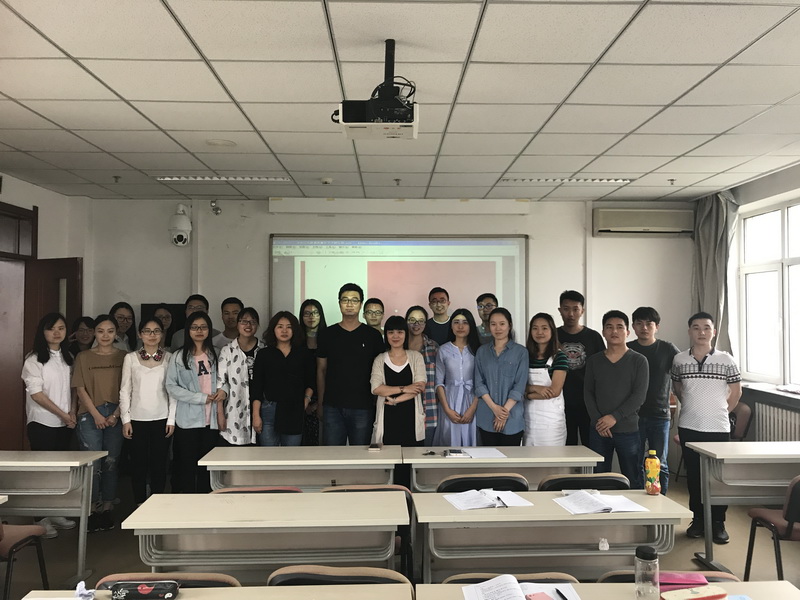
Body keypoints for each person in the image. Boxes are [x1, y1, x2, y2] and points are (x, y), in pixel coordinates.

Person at [672, 311, 742, 544]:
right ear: (689, 331)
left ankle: (718, 522)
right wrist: (696, 409)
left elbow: (736, 393)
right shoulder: (679, 359)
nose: (701, 332)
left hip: (718, 427)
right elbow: (679, 389)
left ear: (714, 331)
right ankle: (699, 519)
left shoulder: (726, 359)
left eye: (706, 327)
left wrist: (719, 412)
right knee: (694, 476)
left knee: (717, 477)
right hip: (689, 426)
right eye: (696, 327)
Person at [22, 312, 78, 537]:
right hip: (42, 422)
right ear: (42, 332)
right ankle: (40, 519)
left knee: (59, 472)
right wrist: (63, 415)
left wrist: (72, 412)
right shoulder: (34, 359)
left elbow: (73, 388)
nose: (57, 332)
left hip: (65, 423)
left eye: (61, 328)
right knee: (42, 473)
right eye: (51, 328)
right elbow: (37, 395)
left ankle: (53, 511)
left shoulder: (68, 357)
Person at [73, 314, 126, 531]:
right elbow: (80, 389)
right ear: (94, 333)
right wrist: (96, 414)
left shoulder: (125, 357)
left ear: (116, 333)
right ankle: (92, 508)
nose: (105, 335)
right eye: (101, 331)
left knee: (111, 462)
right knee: (92, 464)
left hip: (116, 413)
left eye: (110, 331)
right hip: (90, 414)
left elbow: (129, 388)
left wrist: (115, 414)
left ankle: (107, 507)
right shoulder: (83, 357)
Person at [584, 310, 649, 488]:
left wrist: (614, 417)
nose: (614, 331)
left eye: (620, 327)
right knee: (598, 480)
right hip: (599, 430)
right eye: (609, 327)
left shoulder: (639, 361)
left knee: (633, 477)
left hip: (628, 430)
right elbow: (588, 392)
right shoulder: (594, 361)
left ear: (627, 332)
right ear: (603, 332)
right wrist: (599, 421)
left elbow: (639, 396)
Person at [316, 283, 384, 446]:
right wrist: (321, 403)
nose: (349, 304)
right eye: (345, 300)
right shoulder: (327, 334)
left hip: (363, 406)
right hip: (333, 406)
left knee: (361, 455)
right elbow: (321, 370)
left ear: (360, 304)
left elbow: (380, 372)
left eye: (354, 300)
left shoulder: (373, 336)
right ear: (339, 303)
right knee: (332, 455)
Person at [165, 311, 222, 493]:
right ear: (188, 330)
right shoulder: (178, 356)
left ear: (209, 330)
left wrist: (224, 392)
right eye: (194, 327)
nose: (199, 331)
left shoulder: (217, 354)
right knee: (186, 466)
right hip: (187, 421)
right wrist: (200, 398)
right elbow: (171, 386)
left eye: (203, 327)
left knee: (208, 466)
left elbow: (226, 380)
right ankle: (188, 503)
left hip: (211, 420)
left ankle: (207, 501)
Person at [119, 318, 173, 506]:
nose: (152, 335)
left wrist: (171, 420)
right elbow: (125, 390)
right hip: (137, 419)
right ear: (140, 334)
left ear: (162, 334)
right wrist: (125, 420)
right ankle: (139, 503)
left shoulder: (169, 358)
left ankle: (157, 504)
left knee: (160, 463)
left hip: (162, 418)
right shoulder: (130, 358)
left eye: (156, 331)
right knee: (138, 464)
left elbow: (172, 391)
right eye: (147, 331)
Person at [628, 306, 680, 495]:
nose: (644, 328)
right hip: (633, 415)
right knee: (636, 462)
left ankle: (661, 500)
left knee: (660, 463)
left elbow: (683, 371)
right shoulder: (628, 349)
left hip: (660, 415)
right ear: (633, 326)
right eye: (639, 323)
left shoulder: (668, 349)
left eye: (649, 324)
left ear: (656, 327)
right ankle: (637, 501)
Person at [251, 311, 314, 446]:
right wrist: (256, 415)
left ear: (294, 330)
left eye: (289, 327)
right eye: (280, 326)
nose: (284, 330)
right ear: (273, 329)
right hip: (269, 409)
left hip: (294, 409)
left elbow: (311, 381)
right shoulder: (264, 354)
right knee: (269, 455)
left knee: (291, 455)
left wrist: (305, 401)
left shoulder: (303, 354)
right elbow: (257, 387)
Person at [556, 290, 605, 447]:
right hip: (560, 403)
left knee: (590, 447)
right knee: (565, 447)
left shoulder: (593, 337)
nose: (571, 314)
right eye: (566, 309)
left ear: (582, 311)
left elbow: (602, 370)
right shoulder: (553, 336)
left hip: (588, 404)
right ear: (560, 310)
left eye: (575, 309)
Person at [474, 307, 528, 446]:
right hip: (487, 416)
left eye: (502, 324)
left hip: (512, 417)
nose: (498, 328)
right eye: (493, 324)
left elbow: (519, 386)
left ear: (509, 325)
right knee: (488, 458)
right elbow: (479, 384)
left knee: (511, 458)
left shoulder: (521, 352)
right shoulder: (482, 352)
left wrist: (503, 413)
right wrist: (495, 408)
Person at [370, 316, 426, 446]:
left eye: (400, 332)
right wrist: (404, 388)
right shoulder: (380, 359)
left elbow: (419, 387)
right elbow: (376, 388)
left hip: (411, 417)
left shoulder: (416, 357)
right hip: (387, 417)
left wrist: (395, 400)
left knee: (412, 455)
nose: (395, 336)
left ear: (406, 334)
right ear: (386, 335)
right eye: (391, 332)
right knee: (388, 455)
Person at [216, 307, 264, 446]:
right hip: (234, 413)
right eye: (244, 321)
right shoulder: (227, 350)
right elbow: (220, 383)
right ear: (237, 324)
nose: (248, 325)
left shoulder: (264, 349)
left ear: (257, 325)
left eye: (252, 322)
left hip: (262, 410)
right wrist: (220, 414)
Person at [433, 308, 480, 447]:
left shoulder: (478, 350)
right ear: (451, 326)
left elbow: (482, 382)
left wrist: (472, 409)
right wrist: (447, 409)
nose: (460, 326)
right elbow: (439, 382)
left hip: (472, 400)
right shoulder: (443, 350)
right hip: (449, 400)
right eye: (456, 322)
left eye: (465, 322)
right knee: (449, 440)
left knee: (471, 440)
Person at [523, 312, 568, 446]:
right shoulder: (525, 356)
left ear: (552, 331)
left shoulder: (559, 357)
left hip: (551, 422)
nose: (539, 332)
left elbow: (554, 391)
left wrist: (527, 394)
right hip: (528, 418)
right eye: (535, 328)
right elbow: (518, 385)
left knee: (551, 457)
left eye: (544, 328)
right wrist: (537, 388)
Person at [406, 305, 439, 446]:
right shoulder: (399, 346)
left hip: (428, 409)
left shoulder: (434, 347)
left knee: (425, 454)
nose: (416, 324)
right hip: (403, 408)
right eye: (412, 320)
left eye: (420, 320)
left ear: (425, 323)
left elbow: (440, 381)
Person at [299, 299, 326, 445]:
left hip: (325, 399)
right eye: (307, 313)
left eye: (315, 313)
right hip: (299, 401)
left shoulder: (328, 339)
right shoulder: (296, 342)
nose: (311, 317)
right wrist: (305, 402)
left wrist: (318, 403)